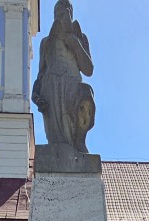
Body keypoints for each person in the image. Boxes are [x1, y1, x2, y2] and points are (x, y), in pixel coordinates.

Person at [33, 0, 95, 153]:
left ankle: (79, 142)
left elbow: (88, 69)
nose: (62, 12)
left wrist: (75, 43)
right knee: (56, 140)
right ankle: (58, 155)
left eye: (66, 9)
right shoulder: (46, 42)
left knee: (86, 94)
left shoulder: (80, 37)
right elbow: (40, 73)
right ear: (54, 14)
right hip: (51, 87)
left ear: (71, 13)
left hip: (73, 83)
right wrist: (35, 95)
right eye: (59, 9)